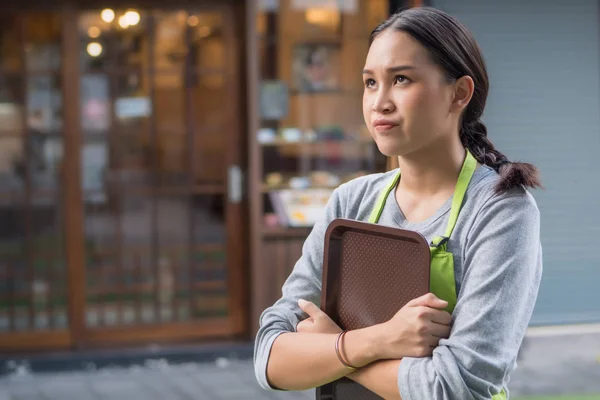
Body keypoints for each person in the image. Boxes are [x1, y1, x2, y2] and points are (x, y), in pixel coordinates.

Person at [254, 6, 543, 400]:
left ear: (459, 93)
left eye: (401, 79)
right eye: (370, 83)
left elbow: (456, 388)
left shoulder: (499, 211)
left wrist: (333, 348)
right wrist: (378, 341)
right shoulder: (351, 202)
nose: (379, 102)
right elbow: (270, 356)